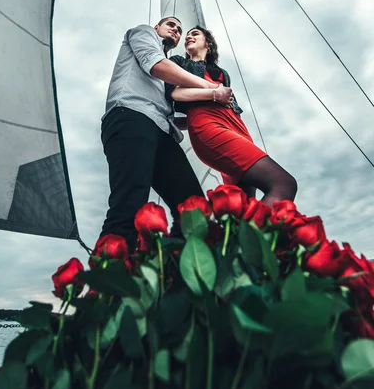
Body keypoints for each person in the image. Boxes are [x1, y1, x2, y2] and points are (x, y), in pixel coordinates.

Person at [100, 17, 232, 249]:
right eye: (171, 24)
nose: (177, 30)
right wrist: (212, 88)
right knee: (129, 206)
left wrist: (210, 122)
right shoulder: (142, 33)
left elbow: (170, 112)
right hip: (130, 116)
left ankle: (173, 274)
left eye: (179, 30)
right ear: (156, 28)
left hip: (161, 130)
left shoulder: (172, 69)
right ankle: (109, 279)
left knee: (193, 209)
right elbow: (156, 65)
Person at [165, 25, 297, 207]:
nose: (188, 37)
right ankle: (256, 235)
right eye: (187, 35)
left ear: (208, 45)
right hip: (208, 125)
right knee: (283, 184)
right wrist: (214, 93)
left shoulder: (222, 73)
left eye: (194, 34)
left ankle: (241, 234)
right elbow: (175, 94)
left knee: (244, 204)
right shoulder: (179, 62)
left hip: (238, 127)